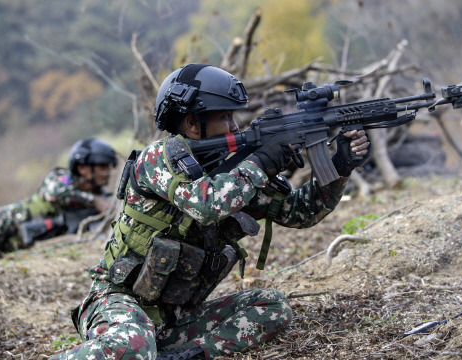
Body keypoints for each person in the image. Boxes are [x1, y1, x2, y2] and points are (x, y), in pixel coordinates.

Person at [48, 64, 370, 360]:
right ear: (192, 122)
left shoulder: (234, 171)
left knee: (272, 307)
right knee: (132, 345)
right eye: (225, 118)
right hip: (118, 302)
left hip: (178, 316)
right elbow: (206, 205)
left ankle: (183, 356)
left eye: (234, 117)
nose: (234, 125)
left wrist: (340, 166)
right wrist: (260, 163)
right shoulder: (157, 158)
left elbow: (300, 212)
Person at [0, 138, 118, 264]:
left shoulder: (101, 195)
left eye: (108, 167)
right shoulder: (62, 178)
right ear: (82, 168)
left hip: (21, 244)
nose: (107, 172)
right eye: (102, 166)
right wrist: (94, 201)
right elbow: (54, 193)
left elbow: (116, 207)